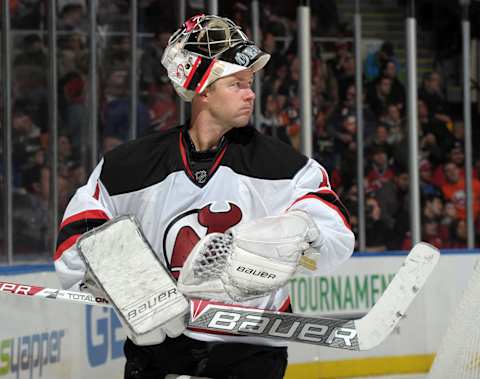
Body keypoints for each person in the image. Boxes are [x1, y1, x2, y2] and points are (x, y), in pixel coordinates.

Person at [53, 14, 354, 379]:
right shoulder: (127, 167)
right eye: (237, 83)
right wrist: (122, 280)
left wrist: (303, 231)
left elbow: (335, 238)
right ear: (204, 89)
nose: (251, 93)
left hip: (251, 352)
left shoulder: (285, 168)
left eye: (251, 82)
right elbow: (75, 243)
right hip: (157, 354)